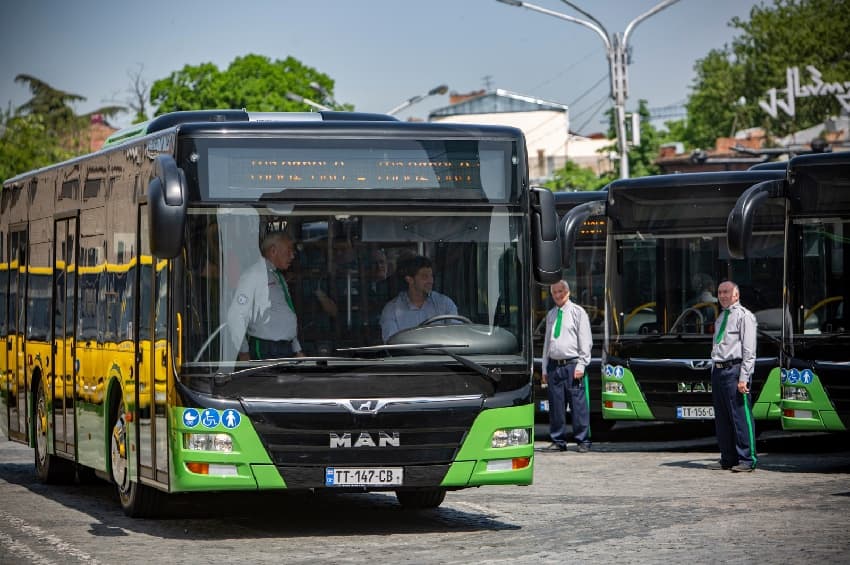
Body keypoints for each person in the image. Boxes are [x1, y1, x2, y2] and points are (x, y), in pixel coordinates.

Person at [227, 231, 305, 360]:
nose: (292, 256)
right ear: (273, 251)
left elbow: (284, 311)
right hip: (266, 347)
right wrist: (244, 352)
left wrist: (297, 349)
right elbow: (235, 316)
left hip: (284, 347)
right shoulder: (254, 275)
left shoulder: (277, 275)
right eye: (288, 251)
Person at [708, 280, 758, 472]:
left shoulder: (744, 316)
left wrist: (744, 377)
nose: (722, 296)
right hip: (719, 370)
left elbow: (749, 350)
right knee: (722, 418)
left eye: (726, 292)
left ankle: (747, 458)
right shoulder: (721, 317)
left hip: (734, 370)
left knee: (740, 416)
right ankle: (728, 457)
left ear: (736, 295)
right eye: (720, 292)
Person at [540, 279, 593, 453]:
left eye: (560, 291)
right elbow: (548, 342)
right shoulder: (551, 315)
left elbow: (585, 341)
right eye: (554, 292)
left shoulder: (578, 313)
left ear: (568, 292)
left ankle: (582, 440)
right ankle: (558, 440)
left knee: (577, 404)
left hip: (572, 364)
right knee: (556, 405)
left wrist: (581, 365)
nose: (557, 295)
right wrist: (544, 367)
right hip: (555, 365)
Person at [379, 255, 457, 342]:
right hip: (407, 355)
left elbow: (456, 337)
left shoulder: (445, 304)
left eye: (431, 276)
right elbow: (392, 345)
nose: (430, 281)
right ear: (409, 279)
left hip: (442, 355)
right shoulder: (391, 310)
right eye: (424, 276)